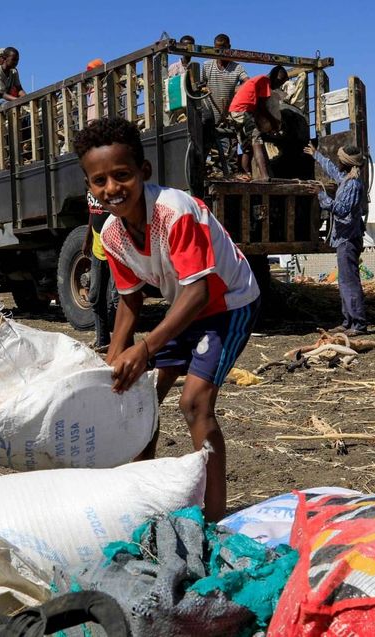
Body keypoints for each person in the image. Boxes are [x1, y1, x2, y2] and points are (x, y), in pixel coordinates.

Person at [74, 117, 260, 522]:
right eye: (99, 181)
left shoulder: (174, 212)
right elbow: (130, 302)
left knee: (194, 403)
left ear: (144, 172)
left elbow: (198, 292)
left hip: (227, 304)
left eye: (121, 175)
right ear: (88, 185)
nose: (111, 189)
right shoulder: (111, 235)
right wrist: (115, 357)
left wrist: (144, 348)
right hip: (184, 307)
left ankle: (214, 519)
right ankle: (146, 505)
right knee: (141, 402)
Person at [305, 143, 367, 335]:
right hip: (343, 238)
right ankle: (348, 321)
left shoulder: (353, 185)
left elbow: (341, 209)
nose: (337, 163)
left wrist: (321, 195)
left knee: (350, 282)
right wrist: (317, 155)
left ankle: (358, 324)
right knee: (345, 282)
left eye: (339, 160)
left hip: (348, 239)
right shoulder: (347, 180)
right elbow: (333, 171)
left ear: (346, 163)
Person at [228, 66, 288, 180]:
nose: (278, 86)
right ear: (274, 77)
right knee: (257, 140)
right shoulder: (264, 81)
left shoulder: (259, 80)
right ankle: (265, 176)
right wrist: (273, 122)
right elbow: (261, 107)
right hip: (244, 110)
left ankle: (248, 175)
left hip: (235, 111)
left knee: (247, 148)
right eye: (279, 82)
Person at [202, 34, 248, 175]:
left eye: (223, 48)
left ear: (229, 48)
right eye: (217, 49)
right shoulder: (207, 66)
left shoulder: (237, 68)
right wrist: (203, 87)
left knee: (229, 155)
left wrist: (238, 89)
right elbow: (197, 86)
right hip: (209, 118)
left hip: (227, 119)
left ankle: (230, 181)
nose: (220, 52)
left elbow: (247, 82)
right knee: (205, 153)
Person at [82, 191, 118, 350]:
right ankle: (102, 340)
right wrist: (88, 237)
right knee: (95, 296)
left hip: (116, 249)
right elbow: (93, 212)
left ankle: (122, 341)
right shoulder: (90, 188)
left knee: (118, 298)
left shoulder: (109, 188)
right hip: (98, 250)